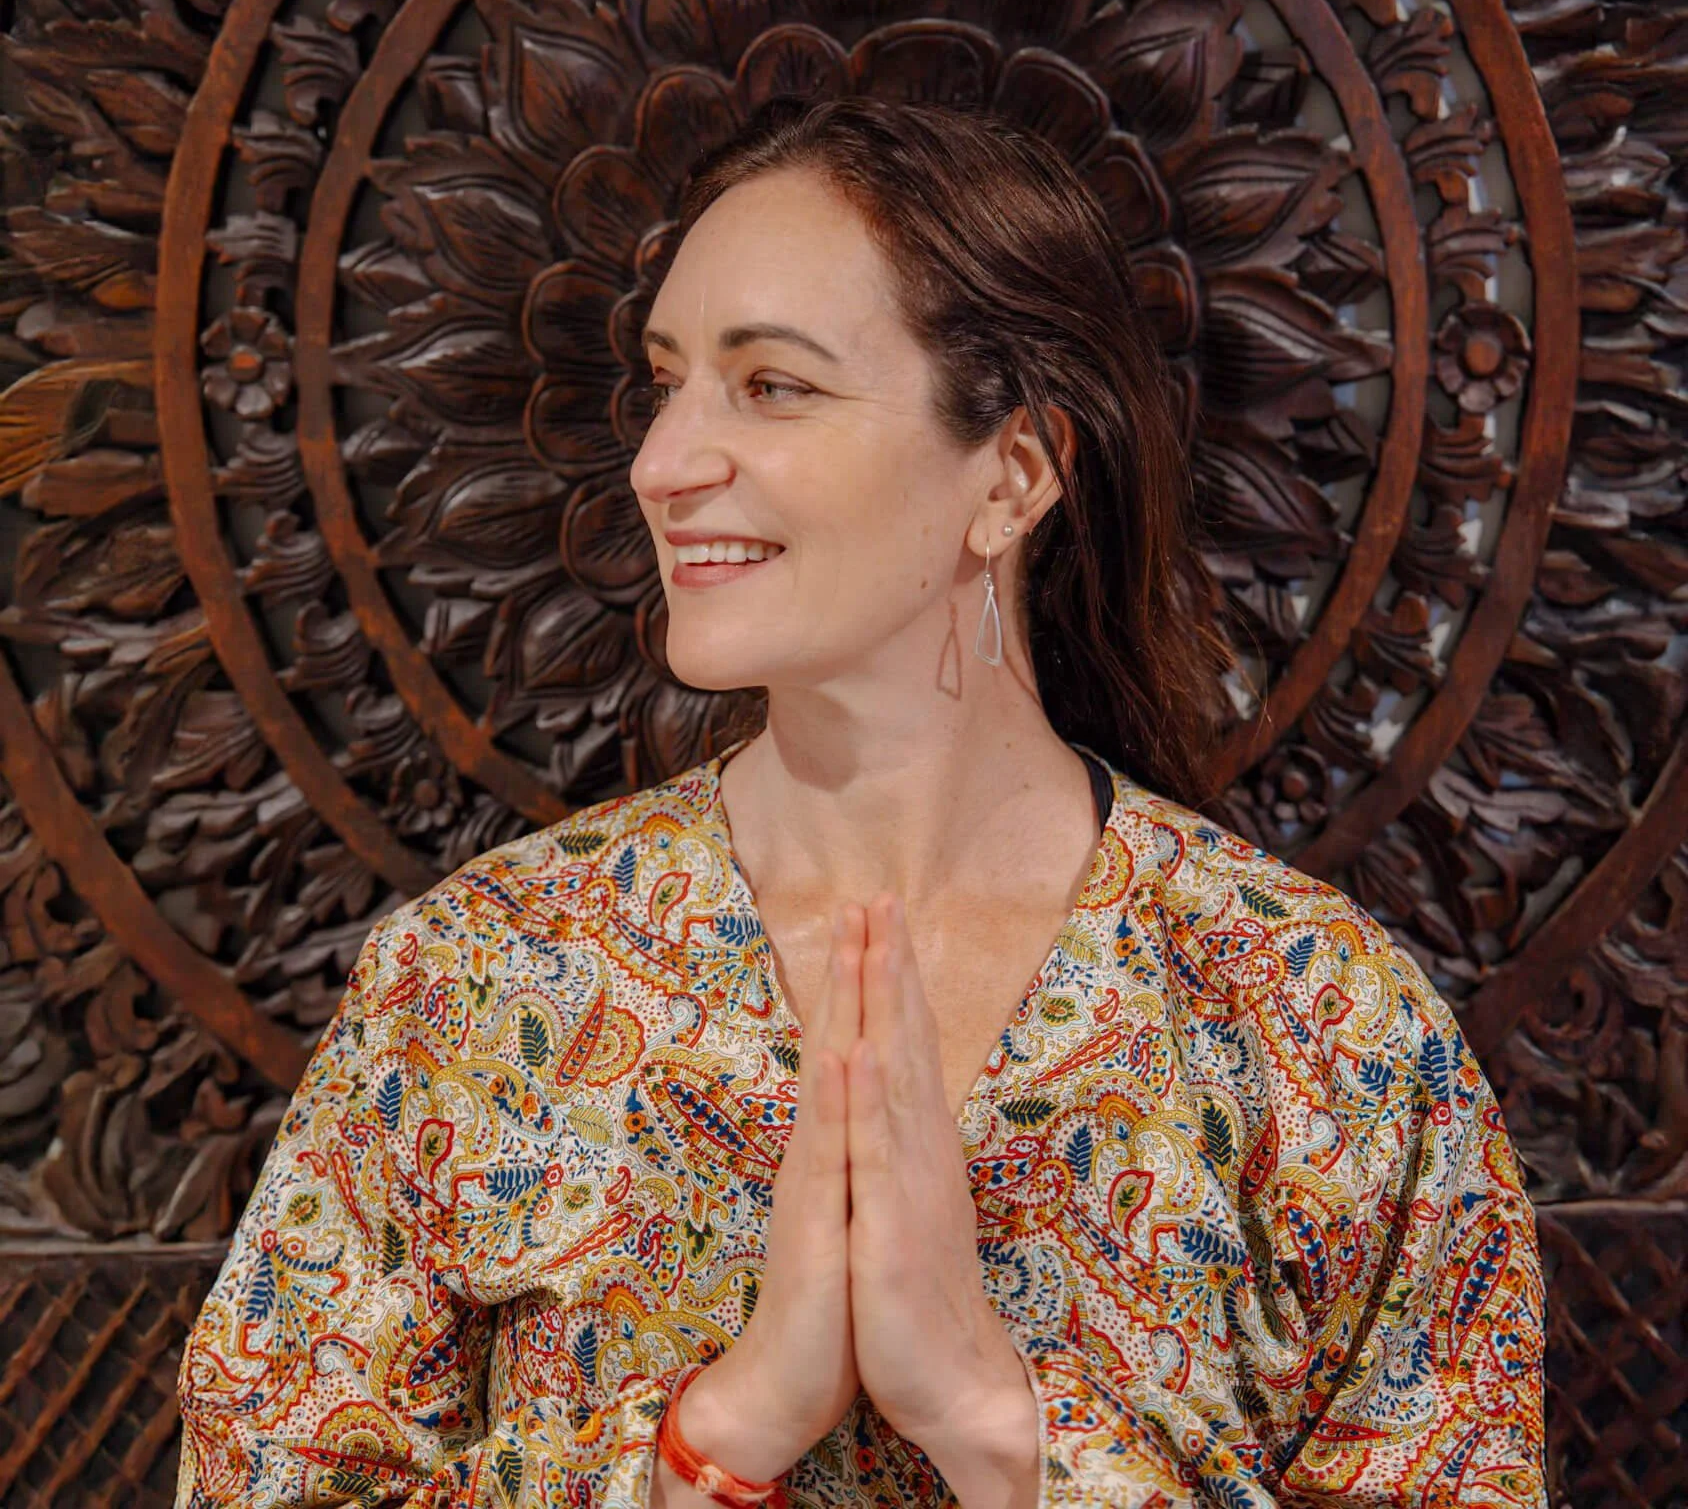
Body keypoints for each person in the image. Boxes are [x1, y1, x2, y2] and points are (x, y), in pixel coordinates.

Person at [175, 96, 1548, 1509]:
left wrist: (1002, 1432)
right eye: (669, 382)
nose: (661, 464)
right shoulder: (479, 985)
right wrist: (721, 1439)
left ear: (1012, 473)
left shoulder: (1323, 1030)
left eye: (772, 386)